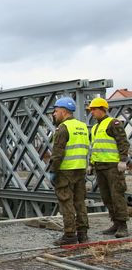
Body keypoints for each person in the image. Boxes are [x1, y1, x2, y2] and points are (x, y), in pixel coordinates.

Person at [49, 97, 89, 245]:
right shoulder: (82, 126)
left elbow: (58, 153)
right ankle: (83, 234)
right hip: (80, 169)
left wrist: (53, 171)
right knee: (80, 202)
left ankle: (70, 235)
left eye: (56, 111)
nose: (54, 114)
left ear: (64, 112)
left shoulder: (63, 128)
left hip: (65, 171)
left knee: (66, 202)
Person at [88, 97, 129, 238]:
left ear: (102, 109)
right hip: (100, 167)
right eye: (91, 110)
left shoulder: (113, 123)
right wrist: (91, 164)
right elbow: (95, 147)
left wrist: (123, 160)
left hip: (113, 166)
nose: (91, 112)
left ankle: (122, 225)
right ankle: (115, 223)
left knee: (117, 195)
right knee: (106, 197)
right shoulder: (95, 127)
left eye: (94, 109)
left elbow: (123, 142)